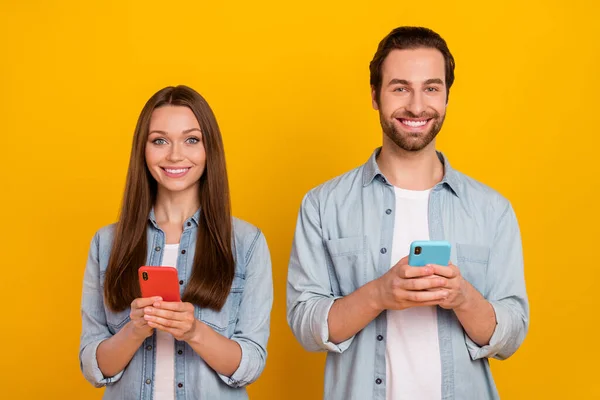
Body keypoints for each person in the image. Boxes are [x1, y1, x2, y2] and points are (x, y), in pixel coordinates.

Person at [286, 26, 529, 400]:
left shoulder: (492, 210)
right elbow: (305, 325)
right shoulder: (322, 204)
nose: (417, 106)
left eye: (431, 88)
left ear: (447, 96)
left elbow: (511, 334)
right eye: (400, 88)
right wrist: (379, 294)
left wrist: (462, 297)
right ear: (374, 95)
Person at [79, 85, 273, 400]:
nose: (175, 155)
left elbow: (250, 364)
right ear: (143, 150)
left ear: (209, 148)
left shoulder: (246, 243)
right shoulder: (106, 243)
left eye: (191, 140)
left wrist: (195, 331)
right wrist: (135, 329)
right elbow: (94, 367)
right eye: (159, 140)